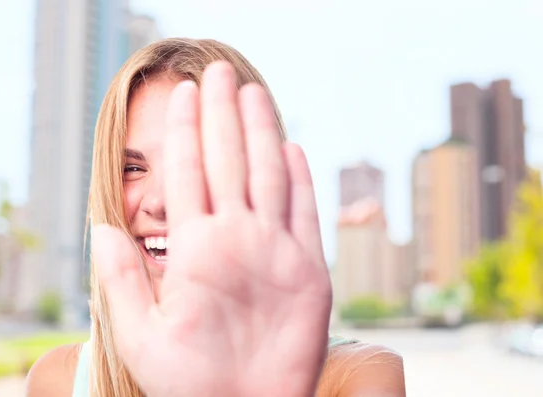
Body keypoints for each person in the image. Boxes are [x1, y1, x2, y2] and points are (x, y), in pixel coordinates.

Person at [26, 38, 406, 397]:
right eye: (132, 168)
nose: (159, 201)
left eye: (193, 163)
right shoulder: (56, 381)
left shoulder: (361, 376)